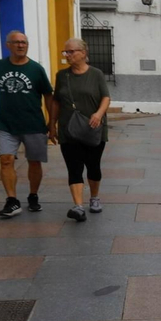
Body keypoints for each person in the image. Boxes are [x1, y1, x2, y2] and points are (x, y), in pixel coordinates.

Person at [0, 31, 57, 218]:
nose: (21, 45)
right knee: (6, 160)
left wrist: (52, 123)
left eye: (24, 42)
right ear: (8, 45)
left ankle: (33, 195)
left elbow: (48, 96)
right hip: (6, 124)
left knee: (34, 162)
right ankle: (12, 200)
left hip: (34, 124)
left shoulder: (36, 69)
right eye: (16, 42)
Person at [54, 38, 111, 223]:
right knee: (74, 167)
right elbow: (56, 101)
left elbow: (106, 97)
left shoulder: (96, 74)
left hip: (93, 129)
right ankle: (78, 206)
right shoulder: (62, 76)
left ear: (84, 53)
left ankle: (94, 197)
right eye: (66, 52)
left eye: (71, 52)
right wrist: (51, 124)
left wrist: (99, 114)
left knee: (93, 166)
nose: (68, 55)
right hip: (68, 130)